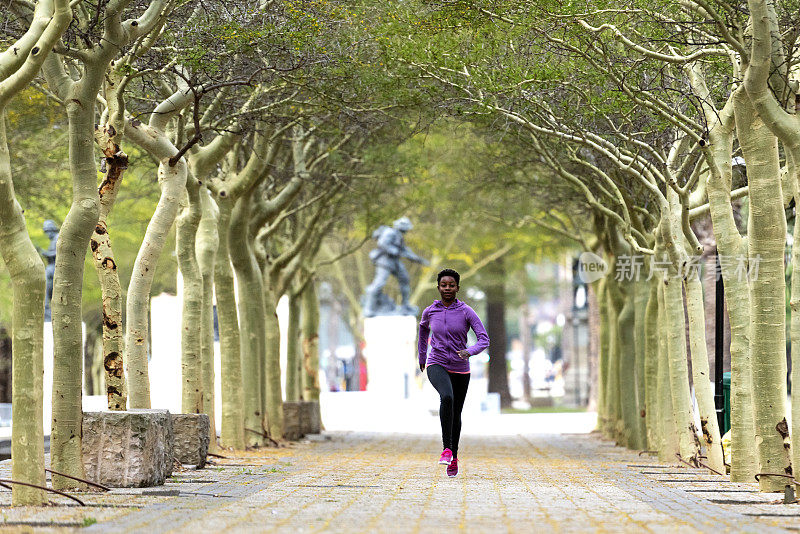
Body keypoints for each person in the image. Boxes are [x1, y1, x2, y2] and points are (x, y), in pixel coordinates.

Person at [418, 268, 490, 478]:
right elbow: (423, 331)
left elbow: (484, 338)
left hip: (460, 367)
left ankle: (454, 457)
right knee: (446, 397)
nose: (447, 288)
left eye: (451, 285)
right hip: (436, 362)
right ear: (438, 287)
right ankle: (446, 448)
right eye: (443, 285)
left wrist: (469, 352)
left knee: (456, 413)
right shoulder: (430, 312)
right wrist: (422, 357)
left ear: (457, 287)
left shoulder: (467, 311)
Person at [364, 217, 429, 317]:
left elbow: (406, 251)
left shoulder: (399, 236)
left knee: (405, 279)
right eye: (406, 227)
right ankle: (368, 308)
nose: (407, 230)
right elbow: (382, 243)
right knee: (379, 283)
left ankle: (405, 306)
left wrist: (419, 260)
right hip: (385, 261)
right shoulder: (390, 232)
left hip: (394, 262)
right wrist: (394, 250)